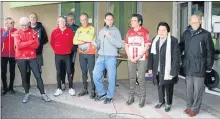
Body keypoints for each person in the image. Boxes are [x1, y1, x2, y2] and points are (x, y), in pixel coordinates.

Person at [179, 15, 215, 117]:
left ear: (200, 22)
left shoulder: (205, 34)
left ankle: (195, 108)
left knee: (198, 89)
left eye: (197, 22)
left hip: (200, 65)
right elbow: (181, 46)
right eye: (193, 22)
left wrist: (209, 66)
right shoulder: (186, 33)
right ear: (189, 22)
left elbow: (210, 51)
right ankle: (189, 106)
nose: (194, 24)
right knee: (189, 88)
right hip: (188, 65)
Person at [14, 17, 51, 103]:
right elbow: (18, 46)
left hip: (32, 57)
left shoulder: (33, 32)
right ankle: (26, 94)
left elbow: (36, 45)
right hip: (21, 58)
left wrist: (25, 44)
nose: (23, 27)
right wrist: (31, 41)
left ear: (29, 24)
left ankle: (43, 94)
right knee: (24, 76)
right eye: (22, 25)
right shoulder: (17, 33)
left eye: (25, 25)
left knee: (38, 75)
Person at [147, 22, 180, 112]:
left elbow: (176, 57)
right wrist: (150, 68)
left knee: (169, 87)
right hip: (157, 68)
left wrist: (174, 70)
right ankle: (161, 101)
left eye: (163, 30)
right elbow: (151, 55)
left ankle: (168, 103)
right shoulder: (155, 40)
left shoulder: (173, 41)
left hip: (168, 69)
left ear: (167, 31)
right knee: (160, 85)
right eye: (159, 30)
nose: (161, 32)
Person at [93, 12, 124, 104]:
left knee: (111, 78)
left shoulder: (116, 31)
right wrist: (95, 44)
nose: (109, 21)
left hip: (111, 57)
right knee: (95, 74)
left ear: (113, 20)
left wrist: (110, 37)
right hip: (101, 56)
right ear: (104, 20)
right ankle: (102, 93)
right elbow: (98, 44)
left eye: (111, 19)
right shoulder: (101, 30)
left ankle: (109, 96)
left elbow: (119, 45)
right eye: (108, 19)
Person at [124, 14, 151, 108]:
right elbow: (126, 46)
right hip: (131, 58)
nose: (132, 22)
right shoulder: (129, 32)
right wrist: (130, 57)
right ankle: (131, 97)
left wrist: (138, 57)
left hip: (142, 59)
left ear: (139, 22)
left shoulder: (144, 32)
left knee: (140, 78)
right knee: (131, 78)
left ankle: (142, 98)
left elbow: (147, 46)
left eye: (134, 20)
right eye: (131, 20)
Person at [73, 13, 96, 98]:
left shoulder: (92, 28)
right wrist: (83, 40)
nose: (84, 21)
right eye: (82, 20)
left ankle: (93, 90)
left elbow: (89, 38)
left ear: (88, 19)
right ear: (80, 21)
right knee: (84, 72)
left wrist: (80, 38)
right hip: (82, 54)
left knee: (92, 72)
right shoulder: (79, 29)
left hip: (90, 53)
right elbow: (74, 41)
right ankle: (85, 89)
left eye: (85, 19)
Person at [50, 16, 75, 96]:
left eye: (64, 21)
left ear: (65, 22)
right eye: (60, 21)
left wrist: (68, 49)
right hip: (58, 55)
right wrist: (57, 49)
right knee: (58, 72)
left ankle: (71, 88)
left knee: (69, 71)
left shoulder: (70, 31)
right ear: (58, 22)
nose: (62, 23)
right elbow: (52, 42)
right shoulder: (54, 31)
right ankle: (59, 88)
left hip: (67, 55)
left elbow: (72, 42)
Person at [26, 12, 48, 90]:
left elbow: (45, 39)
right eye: (31, 17)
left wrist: (38, 45)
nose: (33, 18)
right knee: (27, 70)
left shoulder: (41, 28)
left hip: (38, 53)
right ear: (29, 19)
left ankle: (40, 85)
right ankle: (27, 85)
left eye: (34, 17)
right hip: (28, 54)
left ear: (37, 19)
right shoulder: (26, 28)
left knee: (38, 70)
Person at [60, 13, 79, 90]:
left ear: (74, 20)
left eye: (71, 20)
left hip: (73, 51)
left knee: (71, 67)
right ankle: (63, 83)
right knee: (63, 67)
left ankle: (70, 83)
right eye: (68, 20)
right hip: (64, 51)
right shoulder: (63, 27)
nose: (69, 21)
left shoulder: (77, 28)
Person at [1, 17, 17, 95]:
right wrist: (6, 31)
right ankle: (5, 88)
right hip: (3, 55)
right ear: (6, 24)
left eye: (13, 22)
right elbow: (1, 40)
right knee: (3, 72)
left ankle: (11, 87)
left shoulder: (16, 31)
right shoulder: (2, 31)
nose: (13, 24)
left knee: (12, 72)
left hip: (13, 55)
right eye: (11, 23)